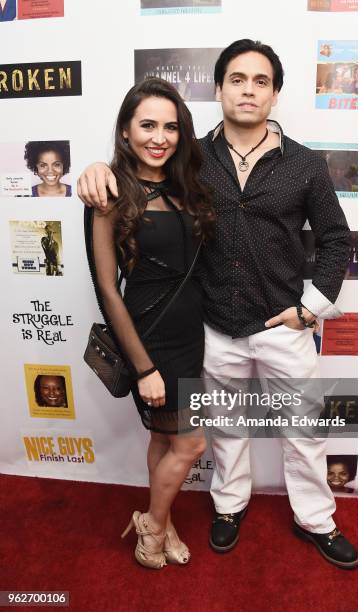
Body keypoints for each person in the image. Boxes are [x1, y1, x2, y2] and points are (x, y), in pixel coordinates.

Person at [78, 39, 358, 570]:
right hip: (213, 326)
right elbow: (137, 168)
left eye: (260, 81)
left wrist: (310, 308)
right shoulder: (193, 160)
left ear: (275, 94)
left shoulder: (303, 164)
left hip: (283, 324)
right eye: (236, 79)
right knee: (226, 429)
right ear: (219, 88)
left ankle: (317, 520)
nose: (248, 90)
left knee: (304, 428)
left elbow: (338, 241)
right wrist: (94, 167)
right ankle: (228, 509)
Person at [88, 77, 214, 569]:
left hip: (191, 337)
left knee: (165, 439)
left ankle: (165, 518)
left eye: (170, 127)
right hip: (150, 339)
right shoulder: (109, 193)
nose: (159, 137)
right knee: (193, 442)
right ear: (125, 132)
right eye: (146, 125)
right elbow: (106, 289)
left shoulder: (187, 186)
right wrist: (143, 368)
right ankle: (152, 526)